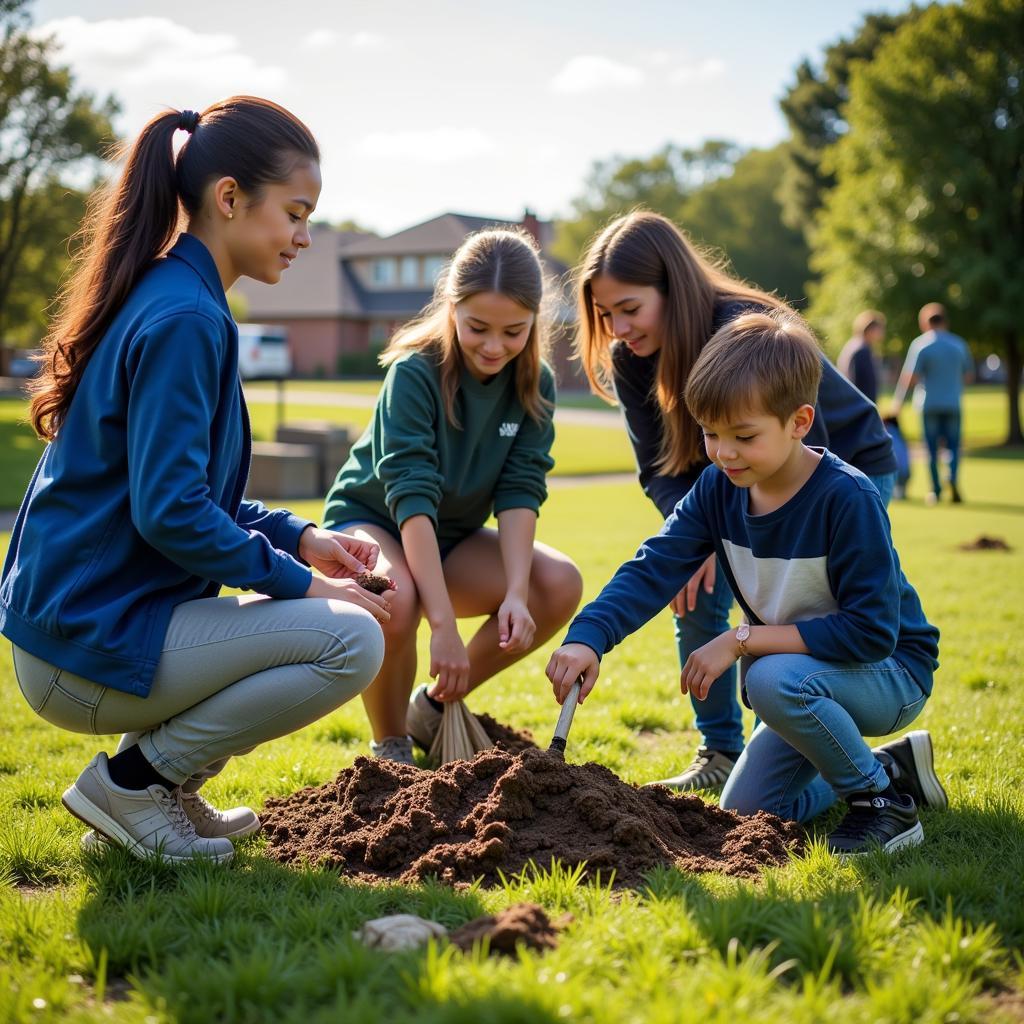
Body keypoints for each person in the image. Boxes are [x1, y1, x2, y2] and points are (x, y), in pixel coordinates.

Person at [0, 98, 392, 864]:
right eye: (297, 213)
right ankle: (138, 784)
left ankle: (163, 791)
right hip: (84, 647)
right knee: (350, 640)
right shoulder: (186, 317)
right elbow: (171, 512)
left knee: (332, 620)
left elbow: (190, 492)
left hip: (85, 632)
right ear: (229, 198)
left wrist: (303, 540)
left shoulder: (177, 296)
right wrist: (306, 588)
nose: (306, 238)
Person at [548, 310, 945, 856]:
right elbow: (654, 565)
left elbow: (873, 633)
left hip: (889, 674)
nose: (724, 452)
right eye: (710, 433)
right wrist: (588, 635)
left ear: (800, 422)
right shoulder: (719, 488)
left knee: (769, 678)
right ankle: (890, 767)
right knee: (746, 816)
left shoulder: (847, 498)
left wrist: (741, 640)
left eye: (744, 435)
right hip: (803, 679)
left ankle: (882, 803)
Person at [573, 210, 899, 792]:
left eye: (630, 308)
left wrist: (734, 579)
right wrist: (699, 541)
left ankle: (812, 733)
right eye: (605, 314)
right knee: (692, 590)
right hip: (730, 485)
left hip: (836, 468)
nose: (618, 327)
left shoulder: (750, 330)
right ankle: (722, 751)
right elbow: (659, 468)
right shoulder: (633, 362)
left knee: (794, 615)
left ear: (672, 289)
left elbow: (802, 455)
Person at [322, 229, 583, 764]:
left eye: (513, 331)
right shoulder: (415, 373)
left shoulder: (537, 383)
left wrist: (515, 591)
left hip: (454, 536)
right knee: (395, 598)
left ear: (535, 320)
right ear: (451, 308)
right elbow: (410, 496)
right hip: (376, 524)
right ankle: (390, 744)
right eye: (477, 328)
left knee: (556, 584)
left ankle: (433, 706)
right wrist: (441, 626)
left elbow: (520, 492)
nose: (494, 346)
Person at [893, 302, 974, 505]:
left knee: (931, 449)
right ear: (945, 320)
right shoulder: (959, 344)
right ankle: (952, 478)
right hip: (953, 403)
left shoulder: (921, 345)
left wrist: (898, 403)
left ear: (924, 323)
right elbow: (969, 375)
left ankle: (936, 490)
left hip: (928, 404)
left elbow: (909, 378)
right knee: (954, 447)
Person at [837, 310, 886, 403]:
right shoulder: (861, 350)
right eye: (879, 329)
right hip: (859, 406)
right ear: (870, 329)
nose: (882, 333)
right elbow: (858, 383)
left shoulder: (854, 344)